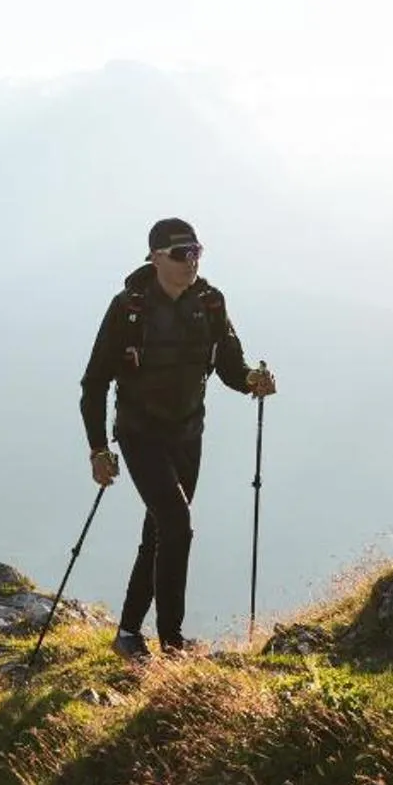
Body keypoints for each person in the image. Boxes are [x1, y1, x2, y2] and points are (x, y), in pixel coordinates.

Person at [79, 218, 278, 658]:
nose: (191, 262)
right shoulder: (128, 309)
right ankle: (171, 642)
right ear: (154, 257)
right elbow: (94, 383)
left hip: (188, 433)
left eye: (196, 252)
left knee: (161, 531)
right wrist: (98, 449)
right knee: (177, 525)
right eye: (181, 254)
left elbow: (228, 363)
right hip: (139, 433)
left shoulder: (209, 303)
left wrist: (251, 380)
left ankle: (128, 633)